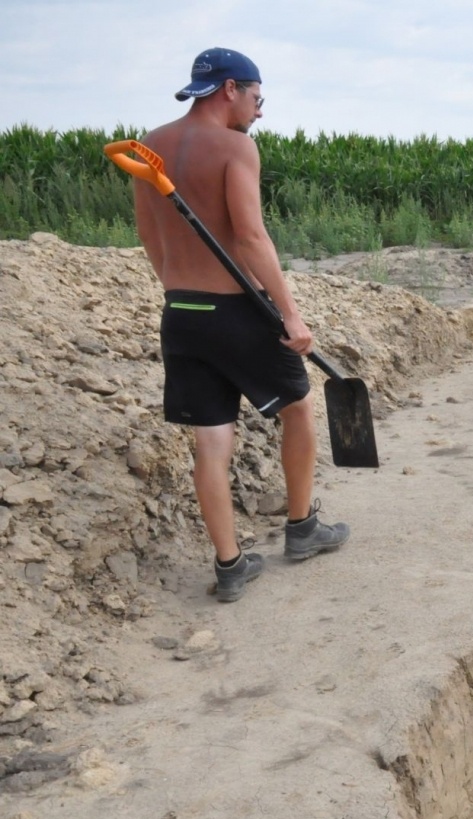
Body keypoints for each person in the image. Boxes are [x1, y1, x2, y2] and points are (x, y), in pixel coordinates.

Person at [132, 47, 349, 602]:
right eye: (257, 98)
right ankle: (301, 529)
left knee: (212, 438)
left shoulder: (147, 146)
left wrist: (177, 289)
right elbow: (251, 237)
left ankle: (230, 566)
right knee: (298, 407)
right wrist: (291, 314)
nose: (259, 111)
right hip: (236, 311)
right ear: (230, 88)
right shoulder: (235, 147)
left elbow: (150, 237)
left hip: (180, 312)